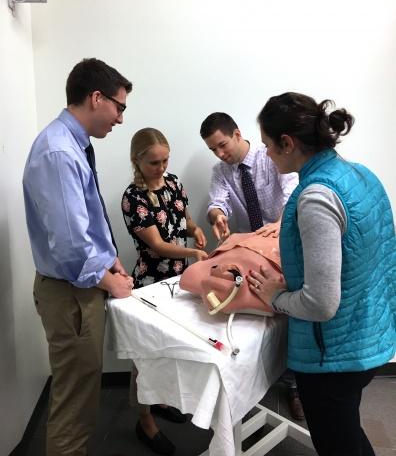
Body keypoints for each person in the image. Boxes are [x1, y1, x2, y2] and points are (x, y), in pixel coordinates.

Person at [248, 91, 396, 456]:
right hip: (368, 333)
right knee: (347, 431)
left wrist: (275, 297)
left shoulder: (316, 197)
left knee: (337, 442)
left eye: (268, 145)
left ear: (288, 142)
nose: (265, 154)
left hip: (332, 356)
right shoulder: (359, 173)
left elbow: (321, 303)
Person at [23, 58, 133, 456]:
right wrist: (111, 280)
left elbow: (82, 219)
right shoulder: (58, 153)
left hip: (78, 286)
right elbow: (69, 248)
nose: (120, 118)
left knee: (83, 396)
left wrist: (109, 258)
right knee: (75, 405)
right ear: (96, 97)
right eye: (119, 107)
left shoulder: (73, 144)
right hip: (71, 293)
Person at [200, 112, 304, 421]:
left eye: (222, 145)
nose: (220, 154)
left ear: (236, 133)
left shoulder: (270, 156)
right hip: (254, 252)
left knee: (293, 316)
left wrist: (281, 225)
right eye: (213, 150)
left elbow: (293, 194)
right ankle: (255, 384)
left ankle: (296, 386)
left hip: (286, 245)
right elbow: (216, 202)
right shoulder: (221, 171)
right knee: (257, 317)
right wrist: (217, 216)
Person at [121, 127, 208, 455]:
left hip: (178, 282)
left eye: (165, 160)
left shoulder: (173, 184)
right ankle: (144, 420)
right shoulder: (134, 198)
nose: (161, 167)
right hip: (150, 285)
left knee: (168, 349)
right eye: (154, 162)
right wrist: (194, 253)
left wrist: (196, 230)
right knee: (144, 354)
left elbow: (183, 221)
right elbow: (157, 245)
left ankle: (158, 401)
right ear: (137, 161)